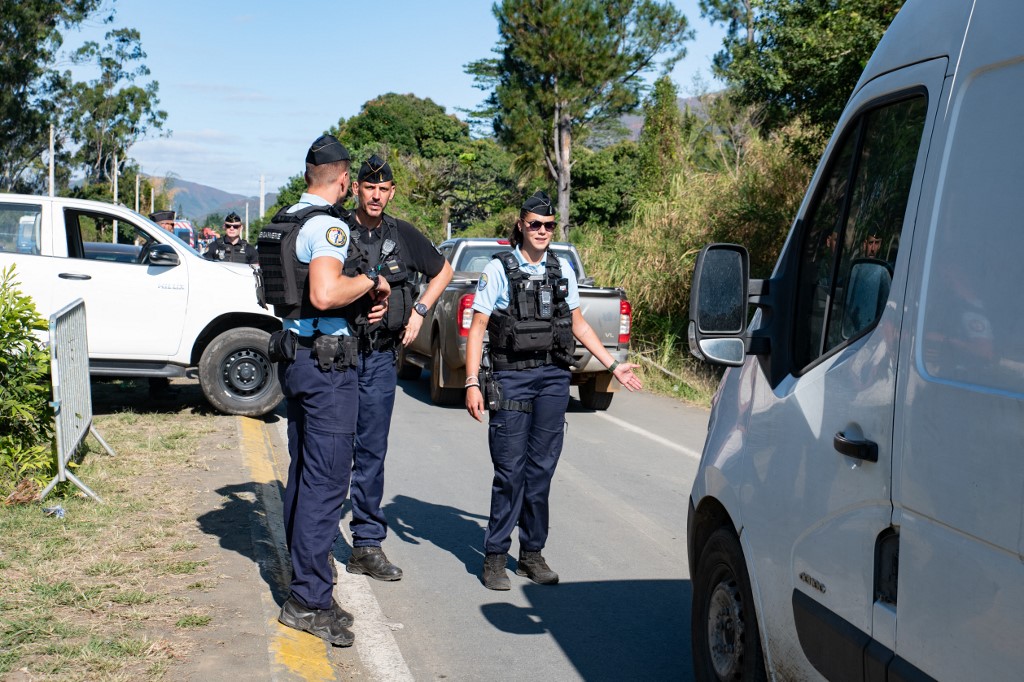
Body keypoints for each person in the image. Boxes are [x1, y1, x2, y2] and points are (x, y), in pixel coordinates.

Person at [464, 190, 643, 590]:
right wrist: (472, 381)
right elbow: (477, 328)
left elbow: (578, 324)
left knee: (541, 471)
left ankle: (531, 554)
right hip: (511, 377)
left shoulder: (561, 270)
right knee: (510, 471)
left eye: (548, 226)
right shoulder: (499, 269)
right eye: (535, 225)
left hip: (552, 379)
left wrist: (613, 364)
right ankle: (495, 556)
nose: (542, 231)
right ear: (521, 225)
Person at [265, 134, 390, 647]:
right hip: (327, 369)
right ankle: (308, 600)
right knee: (325, 483)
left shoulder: (286, 220)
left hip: (296, 358)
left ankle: (309, 584)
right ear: (343, 181)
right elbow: (324, 292)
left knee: (303, 475)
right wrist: (373, 283)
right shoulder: (328, 227)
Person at [344, 154, 454, 581]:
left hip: (381, 358)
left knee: (371, 451)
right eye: (369, 187)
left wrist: (420, 310)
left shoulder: (402, 234)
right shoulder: (338, 230)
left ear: (391, 193)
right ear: (356, 188)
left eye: (383, 189)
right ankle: (315, 541)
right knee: (335, 450)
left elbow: (443, 271)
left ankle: (366, 545)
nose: (376, 195)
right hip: (341, 356)